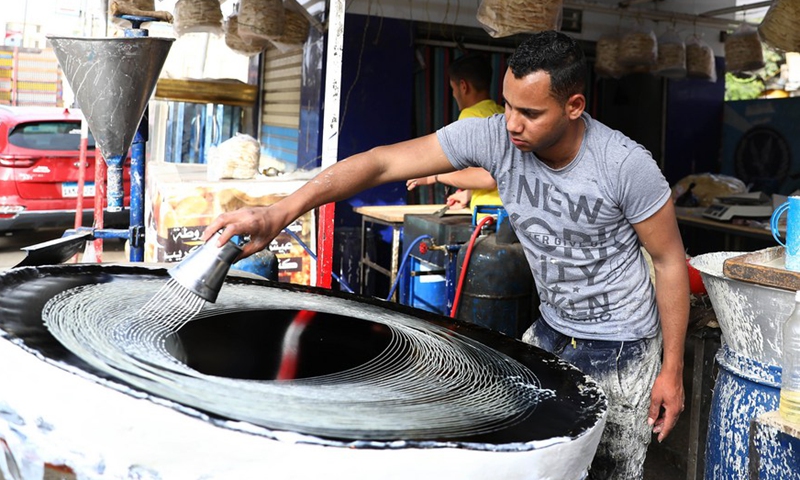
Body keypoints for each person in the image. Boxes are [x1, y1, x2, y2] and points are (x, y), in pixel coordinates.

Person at [203, 30, 689, 479]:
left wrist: (672, 370)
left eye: (531, 114)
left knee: (606, 471)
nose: (512, 125)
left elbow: (669, 263)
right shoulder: (496, 135)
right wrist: (276, 213)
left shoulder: (625, 165)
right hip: (550, 330)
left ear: (575, 105)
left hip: (622, 346)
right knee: (533, 463)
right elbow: (381, 162)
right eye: (506, 105)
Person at [406, 53, 503, 213]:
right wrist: (468, 194)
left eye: (453, 88)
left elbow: (487, 177)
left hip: (490, 216)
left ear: (463, 86)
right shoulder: (502, 114)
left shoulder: (470, 117)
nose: (453, 94)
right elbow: (500, 172)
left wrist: (434, 176)